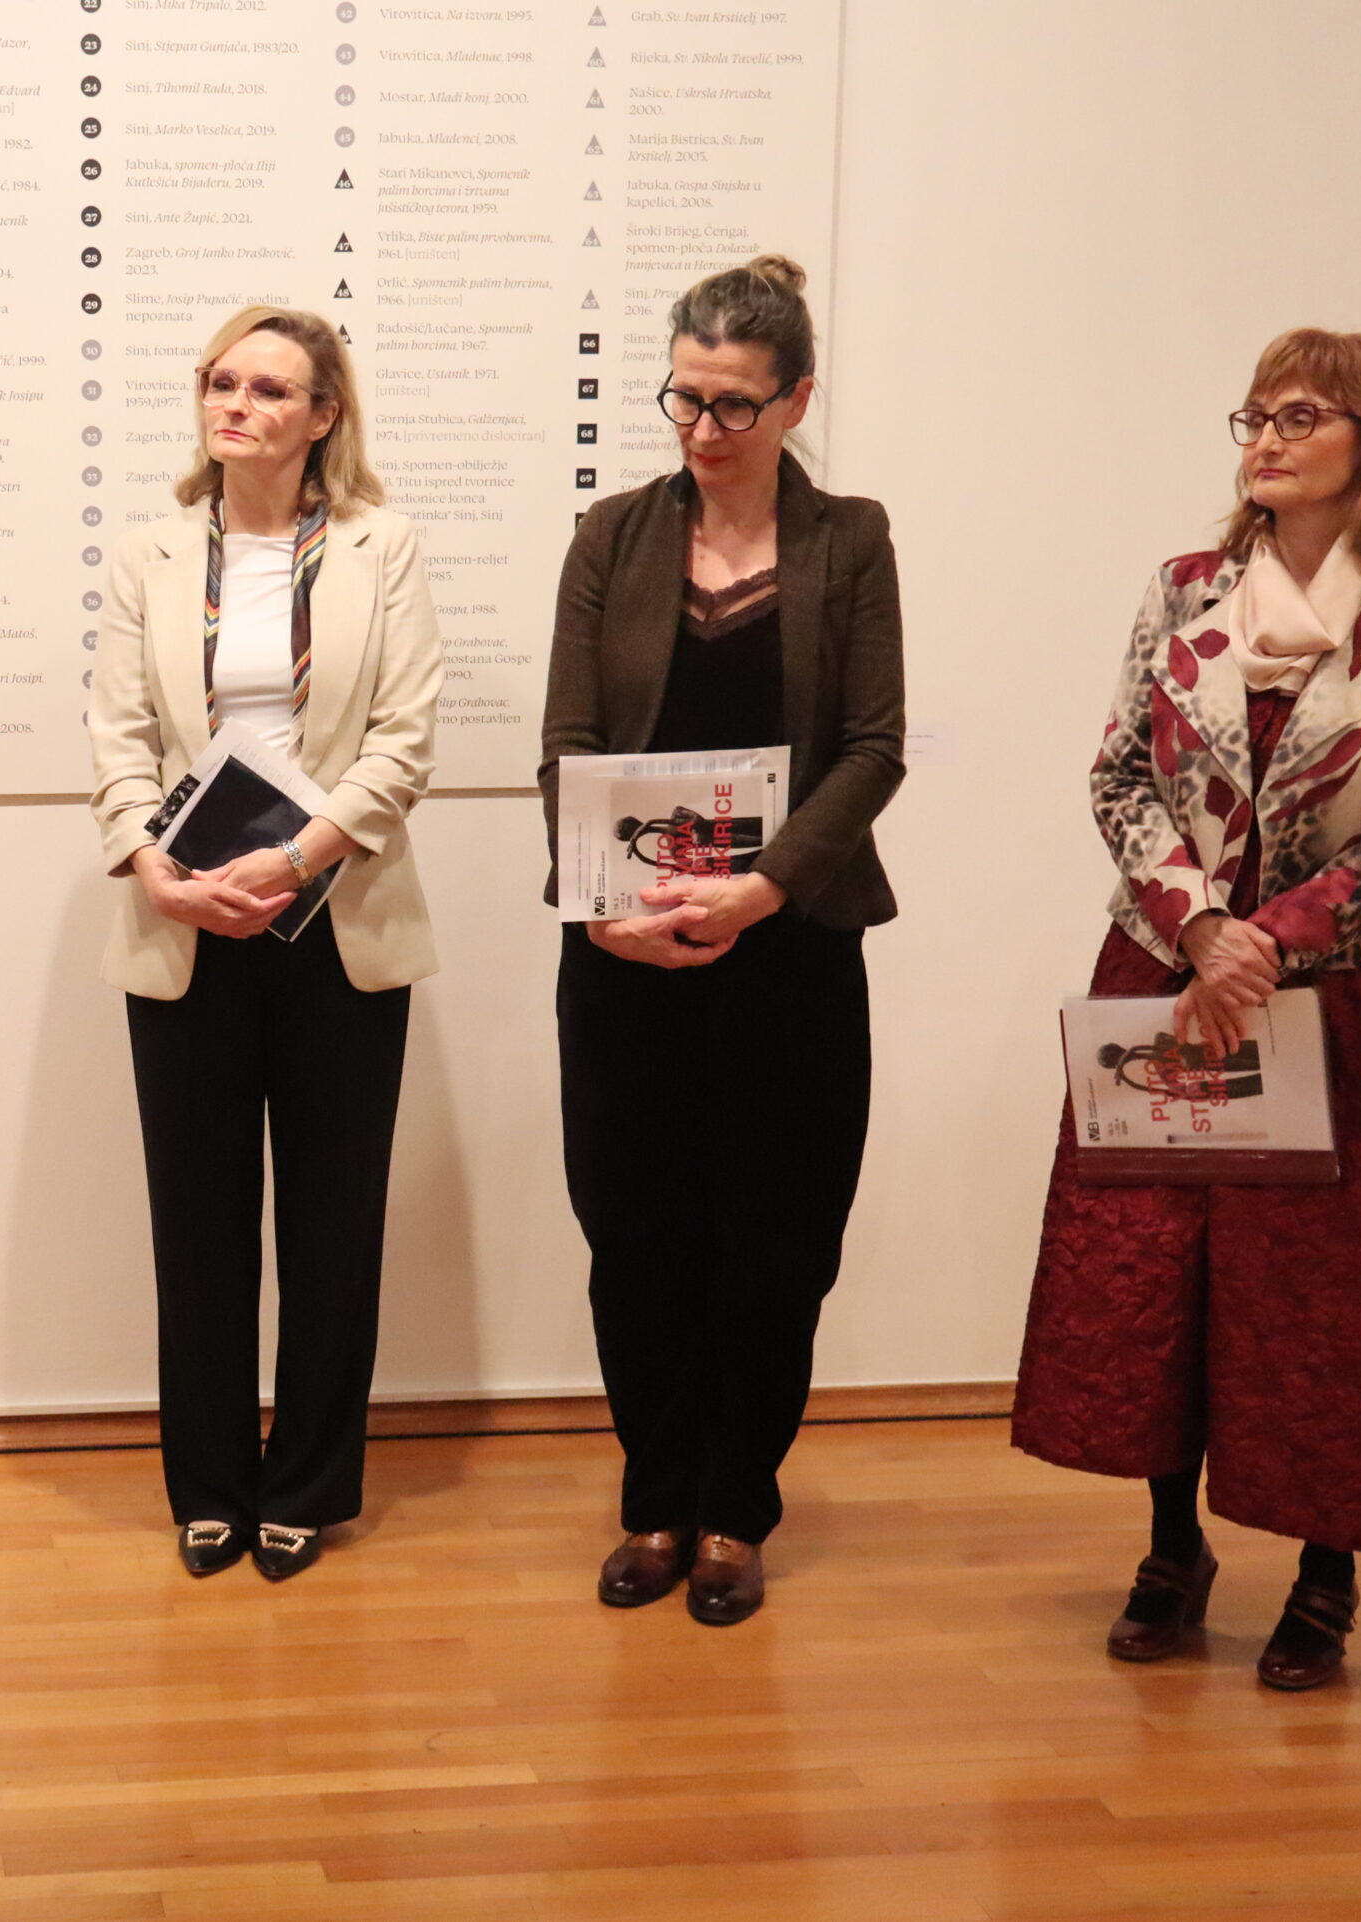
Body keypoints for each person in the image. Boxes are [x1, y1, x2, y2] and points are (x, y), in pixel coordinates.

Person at [1013, 329, 1361, 1691]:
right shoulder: (1185, 589)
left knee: (1321, 1295)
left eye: (1300, 415)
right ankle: (1174, 1549)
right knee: (1161, 1271)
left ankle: (1325, 1572)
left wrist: (1270, 939)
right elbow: (1117, 774)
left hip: (1335, 998)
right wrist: (1202, 926)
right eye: (1257, 416)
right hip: (1168, 973)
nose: (1265, 439)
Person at [538, 255, 904, 1626]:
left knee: (776, 1237)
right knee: (632, 1228)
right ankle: (654, 1494)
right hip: (624, 947)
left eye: (735, 403)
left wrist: (763, 891)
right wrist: (603, 903)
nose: (702, 427)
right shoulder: (613, 535)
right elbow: (567, 740)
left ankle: (735, 1507)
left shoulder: (848, 539)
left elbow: (873, 746)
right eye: (684, 397)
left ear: (797, 399)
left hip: (788, 948)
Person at [88, 305, 442, 1582]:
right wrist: (154, 866)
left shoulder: (379, 546)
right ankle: (208, 1484)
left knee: (333, 1226)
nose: (235, 405)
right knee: (198, 1226)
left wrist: (297, 858)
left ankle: (305, 1481)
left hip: (336, 921)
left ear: (322, 415)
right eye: (220, 382)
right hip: (185, 920)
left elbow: (403, 739)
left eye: (269, 389)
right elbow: (119, 735)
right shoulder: (148, 554)